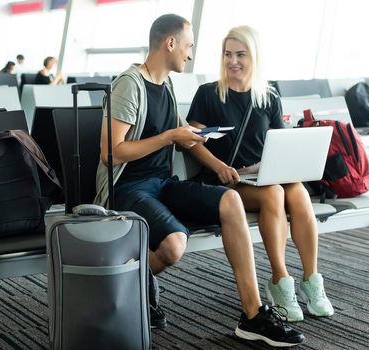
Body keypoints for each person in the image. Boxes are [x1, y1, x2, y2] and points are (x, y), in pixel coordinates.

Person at [94, 14, 304, 347]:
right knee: (174, 245)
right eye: (189, 46)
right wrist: (169, 137)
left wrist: (195, 136)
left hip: (162, 184)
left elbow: (175, 132)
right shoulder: (128, 84)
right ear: (171, 43)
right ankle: (120, 284)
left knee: (230, 199)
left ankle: (252, 316)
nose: (190, 55)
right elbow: (111, 153)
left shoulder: (166, 84)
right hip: (127, 188)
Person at [186, 25, 334, 322]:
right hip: (226, 178)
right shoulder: (208, 94)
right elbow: (189, 140)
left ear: (254, 56)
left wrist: (285, 167)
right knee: (275, 193)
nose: (233, 61)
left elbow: (280, 142)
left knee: (299, 192)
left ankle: (312, 278)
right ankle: (280, 280)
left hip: (263, 174)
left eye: (240, 54)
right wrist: (219, 165)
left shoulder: (268, 96)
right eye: (227, 54)